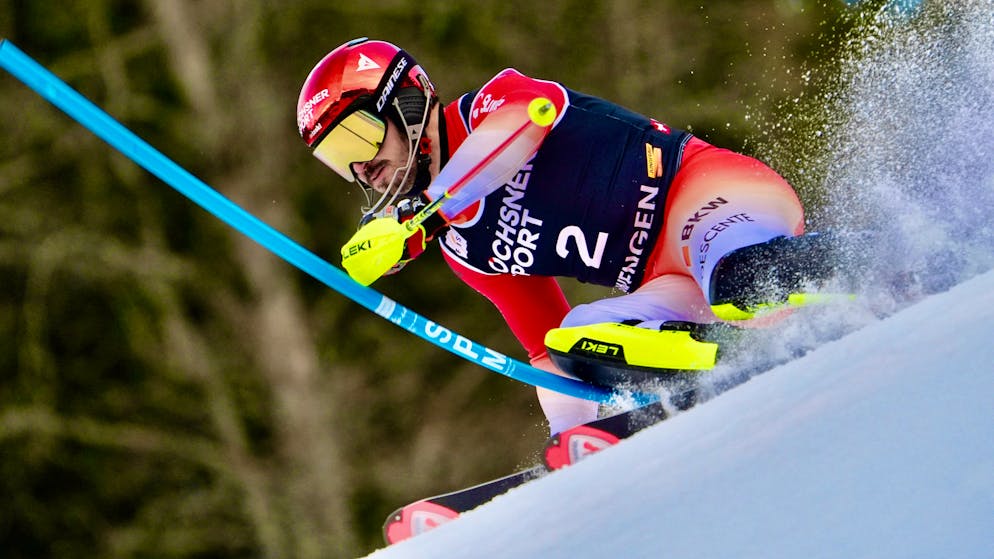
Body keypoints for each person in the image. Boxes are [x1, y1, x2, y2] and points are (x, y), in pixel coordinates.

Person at [296, 38, 836, 440]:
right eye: (337, 159)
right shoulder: (464, 249)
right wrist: (570, 442)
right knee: (575, 340)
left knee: (736, 282)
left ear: (407, 102)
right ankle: (740, 365)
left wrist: (422, 218)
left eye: (357, 136)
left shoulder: (489, 105)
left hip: (707, 196)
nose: (361, 166)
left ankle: (884, 258)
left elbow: (522, 126)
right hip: (665, 281)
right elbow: (544, 352)